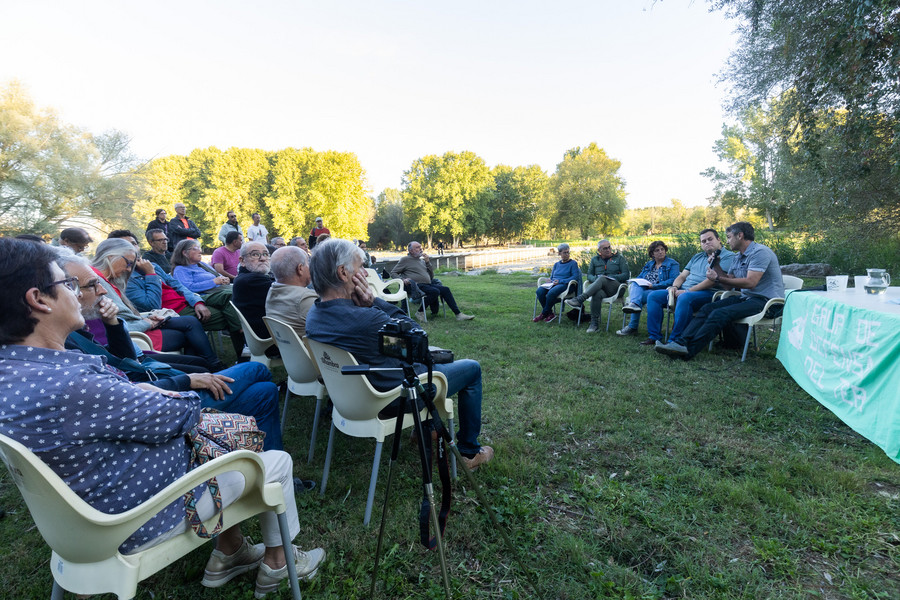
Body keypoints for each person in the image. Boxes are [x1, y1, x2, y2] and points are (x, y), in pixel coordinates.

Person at [0, 237, 325, 595]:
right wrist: (153, 390)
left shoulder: (14, 373)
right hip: (134, 518)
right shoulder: (72, 385)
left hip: (84, 515)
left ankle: (230, 550)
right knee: (274, 463)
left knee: (253, 399)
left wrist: (141, 387)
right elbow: (182, 413)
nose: (77, 294)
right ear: (38, 300)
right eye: (67, 284)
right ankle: (279, 564)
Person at [305, 238, 493, 470]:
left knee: (423, 358)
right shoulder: (367, 319)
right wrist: (374, 302)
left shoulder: (314, 315)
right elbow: (417, 337)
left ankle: (423, 429)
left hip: (352, 397)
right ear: (343, 273)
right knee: (471, 368)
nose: (365, 273)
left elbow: (389, 346)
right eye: (361, 266)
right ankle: (469, 451)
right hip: (394, 397)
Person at [656, 221, 785, 360]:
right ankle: (680, 343)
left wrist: (718, 278)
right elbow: (728, 285)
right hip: (747, 298)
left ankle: (688, 352)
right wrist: (716, 266)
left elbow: (750, 282)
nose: (727, 241)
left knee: (720, 313)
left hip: (767, 302)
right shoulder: (738, 256)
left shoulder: (760, 253)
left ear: (740, 235)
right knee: (707, 308)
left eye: (729, 237)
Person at [91, 238, 224, 369]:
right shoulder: (101, 284)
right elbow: (150, 305)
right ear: (111, 255)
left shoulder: (109, 280)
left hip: (148, 319)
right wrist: (150, 274)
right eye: (128, 263)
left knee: (192, 323)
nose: (128, 269)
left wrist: (196, 302)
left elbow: (178, 285)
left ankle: (208, 366)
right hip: (138, 334)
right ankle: (210, 365)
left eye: (135, 244)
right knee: (191, 329)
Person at [640, 229, 735, 346]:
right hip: (684, 291)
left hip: (710, 293)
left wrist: (687, 291)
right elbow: (682, 275)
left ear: (719, 239)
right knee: (653, 296)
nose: (707, 243)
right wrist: (674, 287)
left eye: (710, 239)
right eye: (703, 241)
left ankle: (675, 340)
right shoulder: (697, 257)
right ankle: (654, 337)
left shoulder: (728, 256)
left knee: (685, 298)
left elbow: (712, 281)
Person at [171, 239, 245, 357]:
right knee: (230, 297)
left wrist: (223, 279)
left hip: (218, 292)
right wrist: (213, 282)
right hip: (203, 296)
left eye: (200, 248)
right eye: (195, 248)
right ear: (184, 253)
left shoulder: (202, 265)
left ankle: (243, 353)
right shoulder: (181, 269)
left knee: (238, 300)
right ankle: (241, 328)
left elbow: (218, 275)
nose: (200, 251)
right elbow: (187, 288)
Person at [391, 241, 475, 321]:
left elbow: (431, 276)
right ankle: (420, 312)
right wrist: (403, 279)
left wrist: (427, 262)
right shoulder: (405, 260)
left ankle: (458, 314)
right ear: (411, 250)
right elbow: (393, 272)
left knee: (445, 289)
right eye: (417, 247)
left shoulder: (422, 261)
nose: (420, 249)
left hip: (426, 284)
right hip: (414, 286)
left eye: (420, 247)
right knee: (434, 291)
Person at [616, 241, 680, 336]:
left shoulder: (672, 264)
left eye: (662, 249)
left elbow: (673, 280)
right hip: (645, 288)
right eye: (657, 250)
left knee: (639, 298)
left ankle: (632, 325)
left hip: (660, 291)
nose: (660, 252)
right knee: (634, 283)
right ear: (652, 254)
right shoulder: (649, 264)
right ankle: (634, 306)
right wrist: (636, 281)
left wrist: (653, 286)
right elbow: (640, 277)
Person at [564, 240, 630, 332]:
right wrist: (597, 280)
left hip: (616, 288)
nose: (608, 250)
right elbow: (589, 275)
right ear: (599, 250)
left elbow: (626, 275)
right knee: (597, 293)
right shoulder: (595, 260)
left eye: (609, 247)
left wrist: (611, 277)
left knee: (602, 278)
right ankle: (594, 324)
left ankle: (579, 299)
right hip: (601, 288)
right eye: (605, 248)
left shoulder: (619, 258)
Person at [265, 246, 318, 338]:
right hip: (310, 351)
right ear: (300, 269)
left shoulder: (272, 291)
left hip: (288, 351)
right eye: (308, 263)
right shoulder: (305, 299)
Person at [232, 242, 275, 340]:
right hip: (270, 340)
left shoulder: (245, 277)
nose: (263, 258)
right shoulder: (251, 280)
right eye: (255, 254)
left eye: (265, 254)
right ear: (242, 261)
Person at [534, 243, 582, 322]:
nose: (567, 254)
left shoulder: (573, 263)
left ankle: (543, 314)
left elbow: (575, 277)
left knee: (551, 293)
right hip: (553, 284)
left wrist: (560, 281)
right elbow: (552, 277)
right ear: (559, 253)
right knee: (539, 291)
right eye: (565, 252)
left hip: (567, 285)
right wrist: (550, 280)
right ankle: (550, 313)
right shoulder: (556, 264)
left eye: (568, 252)